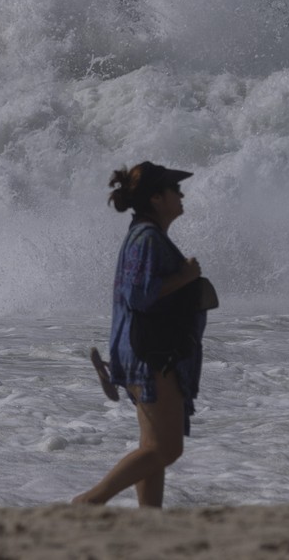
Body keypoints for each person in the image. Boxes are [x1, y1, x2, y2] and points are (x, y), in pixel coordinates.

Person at [73, 161, 208, 508]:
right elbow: (140, 294)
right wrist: (187, 277)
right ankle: (88, 503)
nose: (181, 195)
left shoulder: (146, 234)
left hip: (143, 352)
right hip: (151, 356)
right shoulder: (147, 238)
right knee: (166, 448)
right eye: (174, 190)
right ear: (157, 198)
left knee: (153, 449)